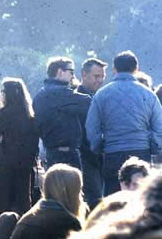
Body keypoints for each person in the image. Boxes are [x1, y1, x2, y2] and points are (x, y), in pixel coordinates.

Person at [86, 51, 162, 196]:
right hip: (141, 152)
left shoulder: (101, 94)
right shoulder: (149, 94)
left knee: (113, 200)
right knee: (140, 199)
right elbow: (159, 128)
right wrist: (152, 147)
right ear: (136, 69)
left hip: (112, 153)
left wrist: (101, 146)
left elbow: (92, 129)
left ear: (114, 69)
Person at [0, 78, 39, 217]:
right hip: (25, 163)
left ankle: (1, 231)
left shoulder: (4, 112)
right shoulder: (30, 115)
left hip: (5, 162)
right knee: (23, 198)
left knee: (3, 200)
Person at [32, 57, 91, 170]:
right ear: (60, 72)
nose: (73, 76)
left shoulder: (40, 96)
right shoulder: (62, 93)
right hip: (68, 154)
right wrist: (77, 87)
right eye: (71, 72)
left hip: (50, 153)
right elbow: (87, 102)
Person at [77, 58, 108, 209]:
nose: (100, 80)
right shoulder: (76, 98)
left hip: (99, 159)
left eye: (102, 76)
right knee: (94, 202)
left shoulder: (100, 97)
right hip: (86, 158)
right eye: (96, 76)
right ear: (84, 74)